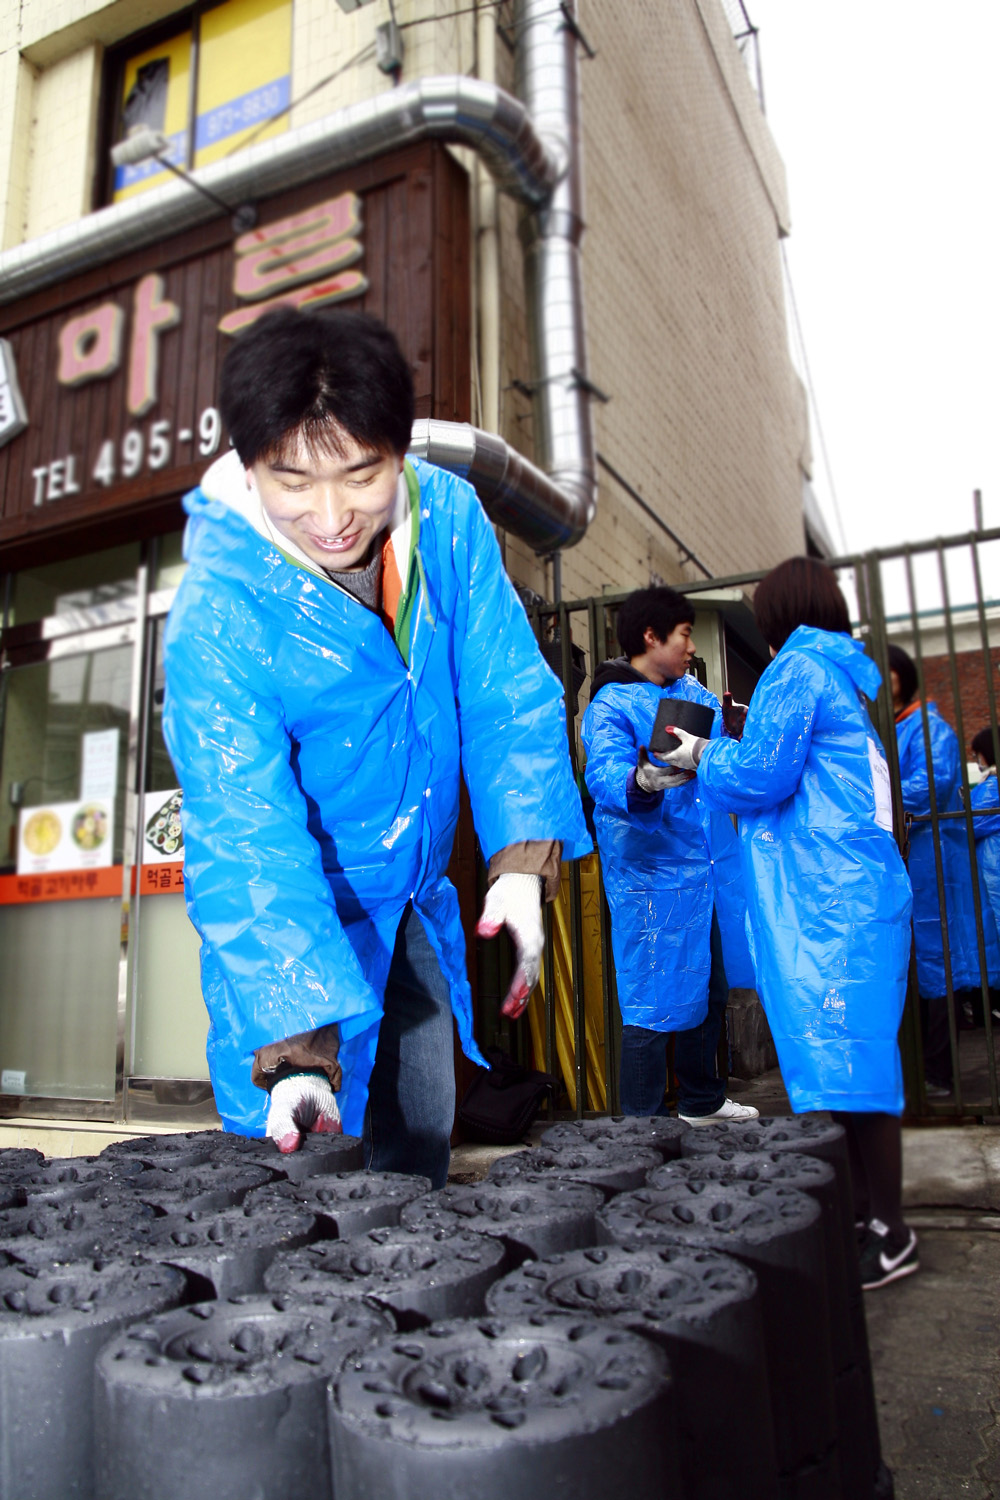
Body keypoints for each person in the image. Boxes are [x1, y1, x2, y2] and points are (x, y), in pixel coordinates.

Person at [163, 307, 590, 1187]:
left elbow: (508, 688)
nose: (331, 517)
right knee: (304, 1187)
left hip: (416, 915)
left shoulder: (449, 521)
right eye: (293, 481)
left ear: (400, 452)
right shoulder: (219, 607)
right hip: (292, 922)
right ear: (250, 470)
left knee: (417, 1155)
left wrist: (521, 857)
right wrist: (292, 1047)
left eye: (361, 475)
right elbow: (245, 830)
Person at [661, 557, 918, 1289]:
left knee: (852, 1074)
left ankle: (887, 1229)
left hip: (829, 903)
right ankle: (872, 1221)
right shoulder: (835, 673)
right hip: (848, 896)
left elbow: (759, 776)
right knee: (854, 1069)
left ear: (778, 612)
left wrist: (702, 751)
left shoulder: (798, 670)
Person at [580, 585, 758, 1126]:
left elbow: (721, 758)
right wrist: (641, 780)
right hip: (650, 873)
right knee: (650, 999)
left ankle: (703, 1100)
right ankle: (642, 1118)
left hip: (704, 866)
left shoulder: (695, 695)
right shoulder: (610, 704)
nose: (689, 646)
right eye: (683, 635)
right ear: (651, 637)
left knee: (709, 985)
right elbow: (601, 772)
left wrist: (730, 736)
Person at [888, 645, 999, 1090]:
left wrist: (873, 800)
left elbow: (926, 788)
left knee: (939, 968)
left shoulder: (930, 729)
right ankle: (919, 1073)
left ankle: (938, 1075)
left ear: (900, 678)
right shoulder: (888, 729)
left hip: (933, 862)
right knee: (911, 966)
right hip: (906, 860)